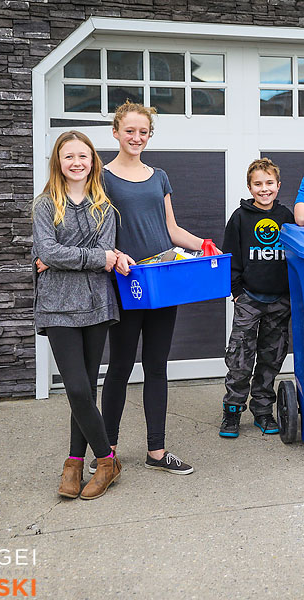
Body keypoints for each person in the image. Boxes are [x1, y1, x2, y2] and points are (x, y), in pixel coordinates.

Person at [98, 101, 220, 476]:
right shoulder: (101, 178)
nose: (137, 137)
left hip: (162, 282)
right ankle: (108, 452)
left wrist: (204, 245)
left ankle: (157, 450)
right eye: (130, 130)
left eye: (143, 132)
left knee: (156, 366)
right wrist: (114, 255)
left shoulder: (159, 176)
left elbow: (171, 229)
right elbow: (96, 232)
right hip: (126, 281)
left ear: (150, 135)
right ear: (116, 132)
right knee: (119, 367)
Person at [32, 130, 121, 500]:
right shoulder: (43, 205)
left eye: (83, 156)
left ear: (92, 162)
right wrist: (97, 259)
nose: (76, 162)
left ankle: (73, 462)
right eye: (69, 156)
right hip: (57, 307)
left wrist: (63, 257)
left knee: (84, 390)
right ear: (58, 162)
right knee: (78, 388)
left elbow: (58, 255)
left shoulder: (105, 208)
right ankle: (106, 461)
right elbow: (48, 251)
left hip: (97, 306)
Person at [219, 158, 294, 438]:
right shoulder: (240, 217)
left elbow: (297, 255)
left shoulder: (287, 216)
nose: (264, 189)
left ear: (278, 185)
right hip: (249, 298)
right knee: (240, 357)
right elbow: (230, 257)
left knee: (271, 357)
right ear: (250, 187)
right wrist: (236, 292)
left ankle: (262, 409)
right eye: (258, 184)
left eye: (269, 183)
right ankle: (232, 411)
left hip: (279, 301)